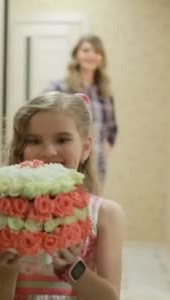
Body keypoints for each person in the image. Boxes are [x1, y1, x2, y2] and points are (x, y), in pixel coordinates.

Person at [0, 92, 125, 300]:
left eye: (62, 139)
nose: (48, 151)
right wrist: (9, 265)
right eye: (34, 140)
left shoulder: (105, 214)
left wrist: (73, 269)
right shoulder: (4, 213)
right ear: (22, 150)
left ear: (85, 148)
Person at [47, 34, 118, 188]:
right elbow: (44, 120)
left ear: (101, 58)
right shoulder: (59, 88)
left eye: (97, 52)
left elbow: (111, 129)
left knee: (91, 209)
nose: (91, 55)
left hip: (97, 168)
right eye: (86, 50)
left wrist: (104, 151)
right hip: (66, 165)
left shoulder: (105, 93)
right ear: (76, 55)